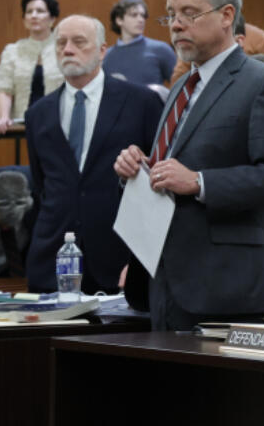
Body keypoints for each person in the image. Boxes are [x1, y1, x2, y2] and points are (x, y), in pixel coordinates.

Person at [114, 0, 264, 331]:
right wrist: (137, 170)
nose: (176, 25)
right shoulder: (182, 87)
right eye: (170, 15)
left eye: (189, 14)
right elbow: (171, 174)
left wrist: (200, 182)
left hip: (225, 284)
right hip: (164, 280)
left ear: (226, 15)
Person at [24, 15, 163, 294]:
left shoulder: (141, 102)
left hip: (120, 259)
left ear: (102, 50)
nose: (67, 50)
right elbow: (43, 185)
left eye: (78, 42)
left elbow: (158, 181)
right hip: (52, 261)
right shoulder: (37, 113)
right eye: (61, 43)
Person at [0, 0, 63, 132]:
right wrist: (3, 117)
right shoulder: (12, 51)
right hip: (22, 124)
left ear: (52, 18)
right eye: (29, 12)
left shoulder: (63, 48)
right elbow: (4, 89)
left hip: (59, 124)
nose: (34, 15)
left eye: (40, 11)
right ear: (24, 19)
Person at [102, 0, 177, 87]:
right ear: (119, 20)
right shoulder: (106, 56)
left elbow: (180, 85)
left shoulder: (161, 49)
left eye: (143, 15)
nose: (141, 20)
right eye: (134, 15)